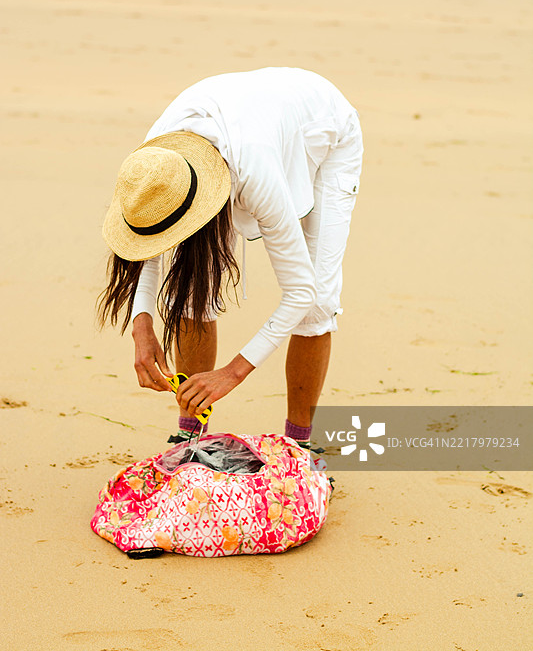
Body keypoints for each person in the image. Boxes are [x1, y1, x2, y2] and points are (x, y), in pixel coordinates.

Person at [99, 67, 363, 448]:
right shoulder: (151, 164)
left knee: (318, 302)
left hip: (325, 130)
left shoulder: (255, 173)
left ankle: (299, 445)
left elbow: (300, 292)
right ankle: (191, 437)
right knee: (191, 288)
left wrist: (233, 372)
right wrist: (142, 325)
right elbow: (148, 243)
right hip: (253, 120)